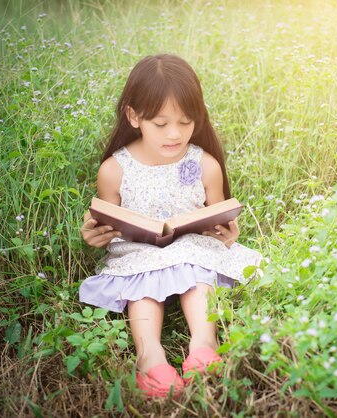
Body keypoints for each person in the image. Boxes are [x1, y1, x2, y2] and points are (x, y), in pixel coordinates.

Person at [79, 54, 261, 399]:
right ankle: (150, 356)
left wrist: (226, 233)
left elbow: (217, 217)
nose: (174, 134)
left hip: (191, 247)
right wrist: (96, 235)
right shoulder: (115, 169)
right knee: (140, 285)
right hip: (139, 252)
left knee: (197, 270)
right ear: (134, 116)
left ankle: (204, 343)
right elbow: (109, 226)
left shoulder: (203, 164)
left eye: (185, 121)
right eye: (161, 124)